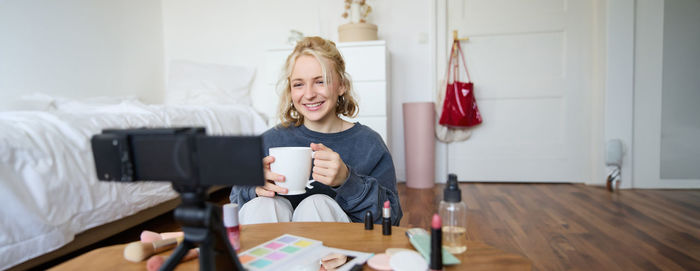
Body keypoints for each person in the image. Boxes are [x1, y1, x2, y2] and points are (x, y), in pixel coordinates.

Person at [230, 36, 402, 225]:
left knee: (316, 203)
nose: (309, 94)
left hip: (337, 251)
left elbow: (391, 218)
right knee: (265, 203)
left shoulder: (369, 144)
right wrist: (253, 187)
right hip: (275, 249)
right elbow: (234, 201)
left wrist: (348, 181)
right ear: (290, 90)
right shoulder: (269, 141)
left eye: (320, 81)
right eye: (298, 84)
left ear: (342, 85)